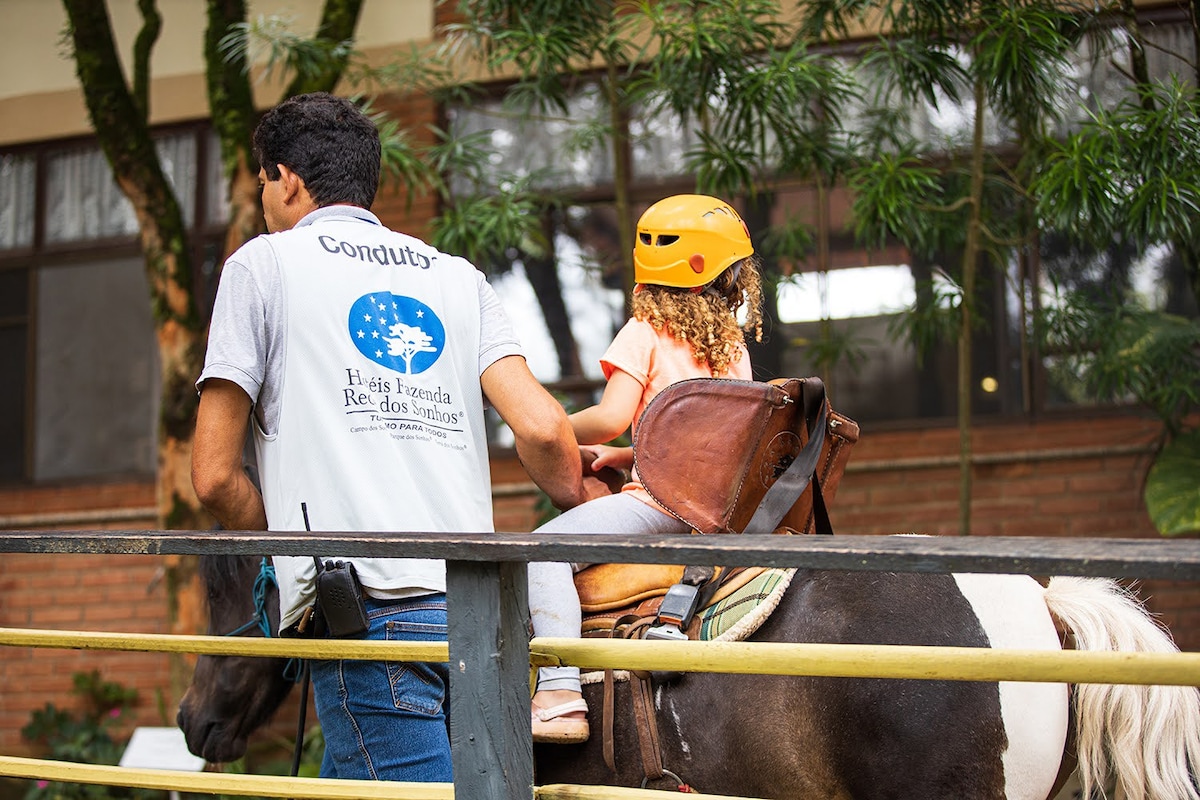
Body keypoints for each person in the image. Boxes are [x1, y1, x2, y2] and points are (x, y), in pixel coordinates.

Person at [190, 92, 591, 782]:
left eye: (261, 181)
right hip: (476, 614)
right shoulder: (456, 277)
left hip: (363, 615)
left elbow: (214, 476)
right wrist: (581, 495)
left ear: (285, 178)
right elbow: (545, 428)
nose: (264, 197)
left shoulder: (261, 266)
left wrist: (286, 547)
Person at [527, 194, 764, 744]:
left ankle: (560, 691)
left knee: (540, 552)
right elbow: (716, 439)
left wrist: (544, 423)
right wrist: (632, 455)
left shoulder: (644, 332)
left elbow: (611, 416)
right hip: (717, 512)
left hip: (660, 505)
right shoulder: (731, 345)